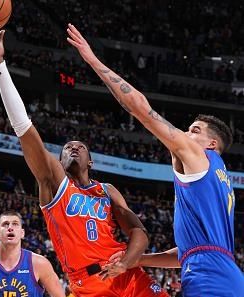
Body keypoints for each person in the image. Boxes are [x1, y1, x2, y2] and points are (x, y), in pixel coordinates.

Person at [0, 27, 168, 297]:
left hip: (127, 275)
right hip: (87, 284)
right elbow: (24, 128)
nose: (73, 148)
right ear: (59, 161)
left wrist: (126, 262)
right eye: (67, 148)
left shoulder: (106, 190)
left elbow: (138, 232)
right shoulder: (54, 185)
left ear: (91, 161)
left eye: (80, 147)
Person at [65, 23, 244, 296]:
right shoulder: (219, 177)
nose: (184, 134)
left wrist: (92, 60)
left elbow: (141, 108)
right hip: (222, 272)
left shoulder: (200, 156)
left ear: (212, 144)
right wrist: (138, 260)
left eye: (194, 131)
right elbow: (189, 252)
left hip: (209, 279)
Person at [0, 210, 65, 297]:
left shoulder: (40, 263)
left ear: (22, 233)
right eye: (5, 224)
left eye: (15, 224)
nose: (10, 227)